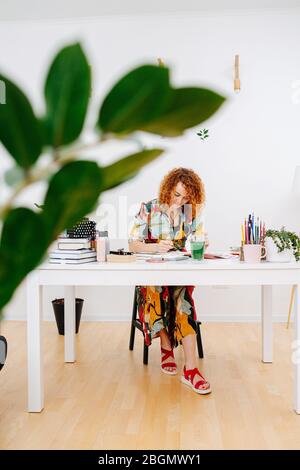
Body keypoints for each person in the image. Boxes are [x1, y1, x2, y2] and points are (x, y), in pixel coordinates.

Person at [128, 167, 211, 394]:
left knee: (182, 296)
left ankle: (191, 369)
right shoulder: (149, 208)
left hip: (179, 274)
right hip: (152, 275)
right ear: (167, 190)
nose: (180, 201)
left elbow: (199, 240)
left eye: (185, 197)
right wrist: (153, 247)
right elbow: (132, 244)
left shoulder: (189, 213)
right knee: (155, 287)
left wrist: (201, 243)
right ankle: (166, 346)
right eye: (176, 195)